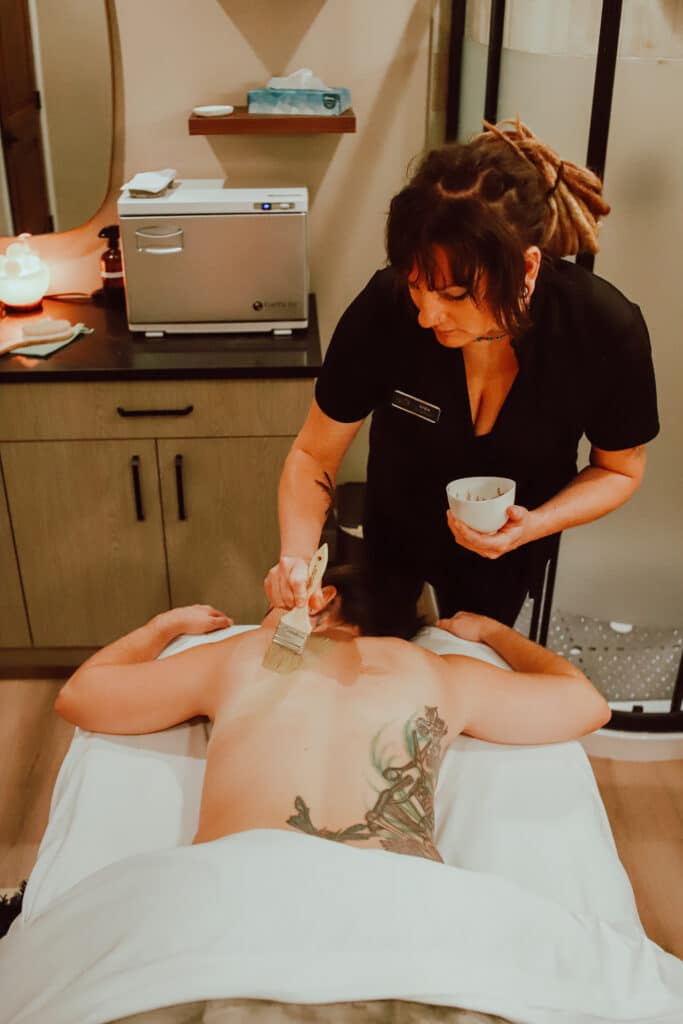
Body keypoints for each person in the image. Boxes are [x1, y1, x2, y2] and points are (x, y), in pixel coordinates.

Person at [265, 118, 659, 626]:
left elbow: (620, 469)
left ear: (527, 269)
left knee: (469, 677)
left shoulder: (601, 328)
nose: (427, 315)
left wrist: (535, 524)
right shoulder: (386, 310)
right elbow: (313, 452)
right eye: (415, 285)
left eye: (453, 295)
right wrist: (295, 556)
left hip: (505, 556)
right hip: (392, 545)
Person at [55, 565, 610, 863]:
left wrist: (163, 627)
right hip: (406, 909)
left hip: (232, 895)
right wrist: (491, 632)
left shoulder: (244, 655)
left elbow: (82, 695)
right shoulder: (438, 674)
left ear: (317, 602)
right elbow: (588, 703)